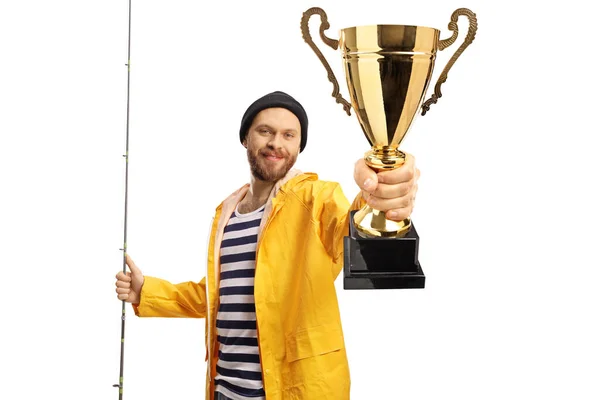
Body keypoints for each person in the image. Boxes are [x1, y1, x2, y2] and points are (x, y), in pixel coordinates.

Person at [115, 91, 419, 400]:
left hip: (297, 390)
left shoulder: (316, 198)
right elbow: (220, 296)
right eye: (265, 131)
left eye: (289, 135)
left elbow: (347, 225)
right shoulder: (226, 213)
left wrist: (377, 196)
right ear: (246, 138)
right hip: (225, 390)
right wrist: (147, 293)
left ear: (299, 147)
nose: (276, 142)